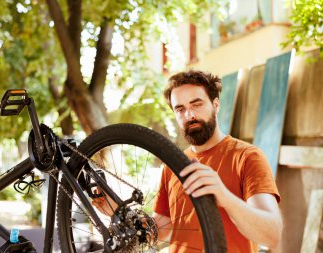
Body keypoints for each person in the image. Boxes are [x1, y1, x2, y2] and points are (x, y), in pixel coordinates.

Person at [93, 70, 282, 253]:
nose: (189, 115)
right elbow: (160, 230)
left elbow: (271, 236)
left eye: (197, 104)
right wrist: (119, 213)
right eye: (180, 109)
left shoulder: (247, 156)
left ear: (216, 105)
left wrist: (225, 197)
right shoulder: (173, 165)